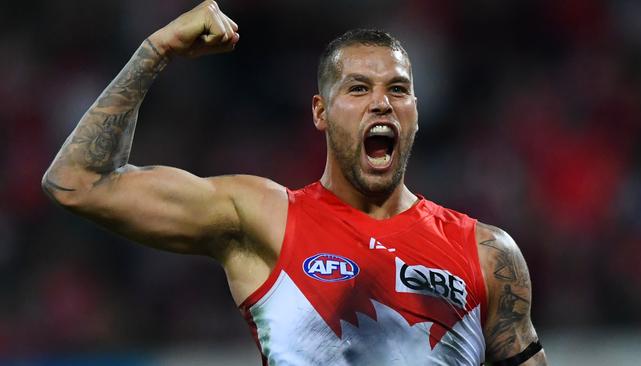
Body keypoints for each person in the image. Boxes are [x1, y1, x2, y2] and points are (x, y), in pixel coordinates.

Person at [42, 1, 547, 365]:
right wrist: (156, 49)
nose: (381, 103)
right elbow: (76, 182)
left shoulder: (486, 253)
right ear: (320, 113)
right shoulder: (262, 218)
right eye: (358, 88)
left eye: (398, 89)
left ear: (415, 112)